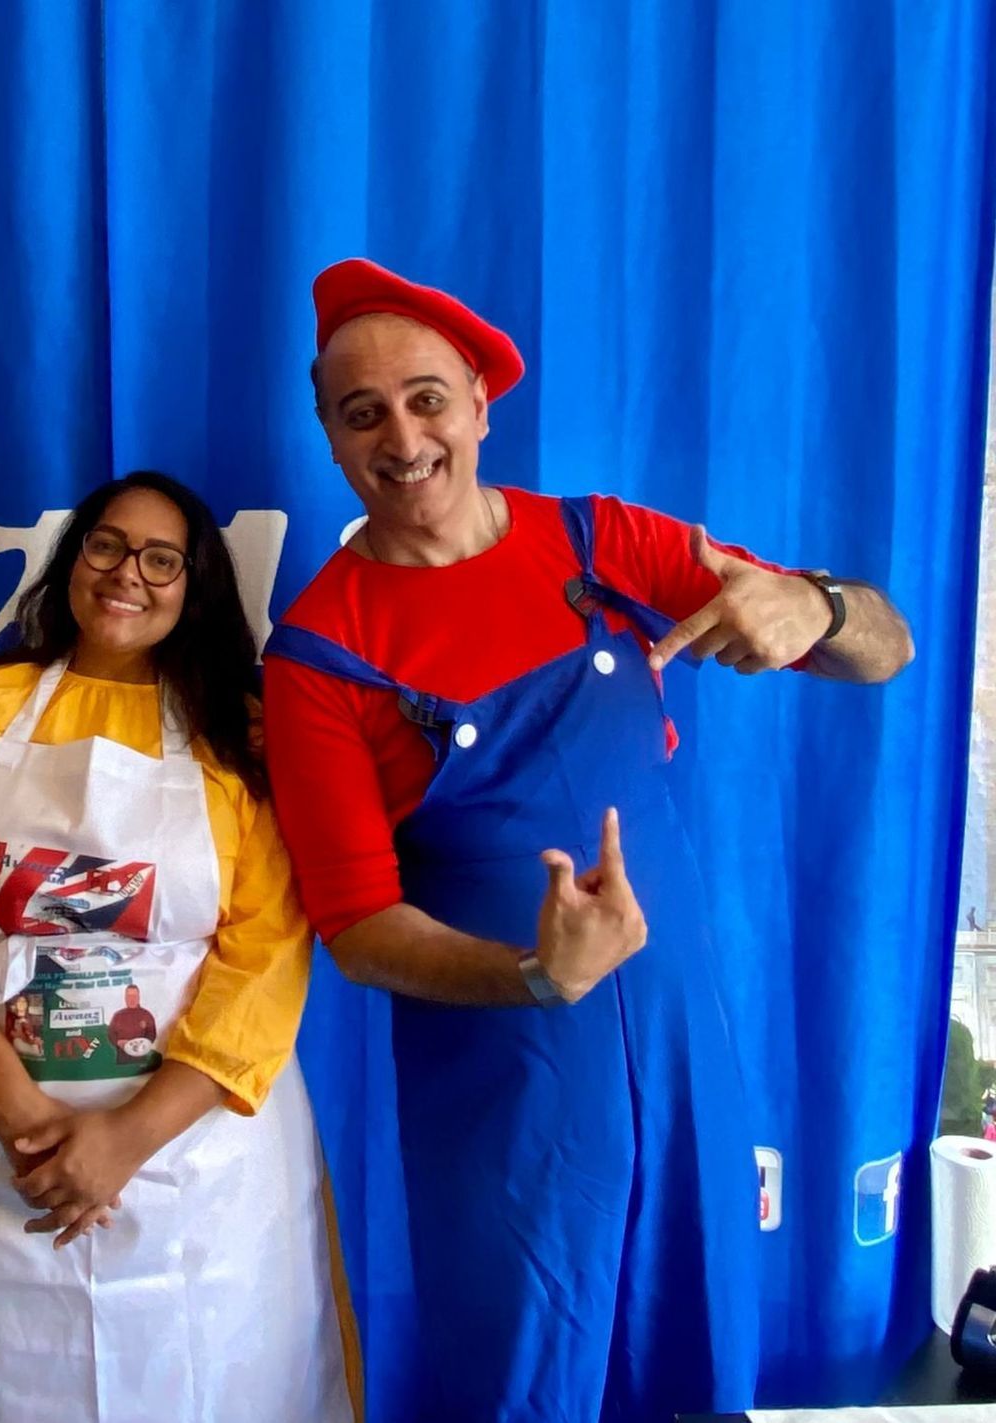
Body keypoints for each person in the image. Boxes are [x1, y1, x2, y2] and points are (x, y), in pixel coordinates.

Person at [262, 258, 914, 1422]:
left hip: (675, 1028)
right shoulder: (318, 653)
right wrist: (533, 974)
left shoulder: (598, 542)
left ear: (480, 404)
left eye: (426, 398)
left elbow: (887, 647)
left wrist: (812, 603)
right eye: (363, 413)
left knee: (694, 1337)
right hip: (503, 1065)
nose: (402, 438)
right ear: (331, 438)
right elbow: (356, 929)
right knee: (525, 1370)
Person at [0, 472, 359, 1421]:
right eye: (107, 545)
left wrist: (127, 1139)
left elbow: (264, 961)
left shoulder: (237, 738)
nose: (129, 573)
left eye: (162, 559)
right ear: (72, 556)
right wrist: (17, 1114)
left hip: (194, 1168)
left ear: (195, 586)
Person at [108, 981, 158, 1058]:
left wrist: (143, 1044)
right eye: (129, 996)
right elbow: (111, 1034)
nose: (132, 999)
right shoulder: (117, 1016)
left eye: (134, 996)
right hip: (122, 1057)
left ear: (139, 997)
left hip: (142, 1057)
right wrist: (118, 1042)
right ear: (125, 998)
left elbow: (152, 1034)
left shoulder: (147, 1015)